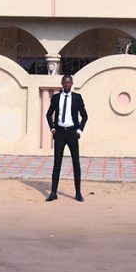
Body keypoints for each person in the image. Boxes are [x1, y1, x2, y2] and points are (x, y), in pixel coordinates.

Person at [45, 74, 88, 202]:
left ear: (72, 83)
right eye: (64, 82)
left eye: (69, 83)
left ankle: (78, 193)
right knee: (57, 163)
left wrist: (79, 130)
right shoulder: (56, 97)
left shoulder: (77, 98)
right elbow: (49, 114)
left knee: (76, 163)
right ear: (62, 83)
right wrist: (53, 128)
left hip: (72, 133)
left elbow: (85, 116)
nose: (66, 85)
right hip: (59, 133)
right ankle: (53, 193)